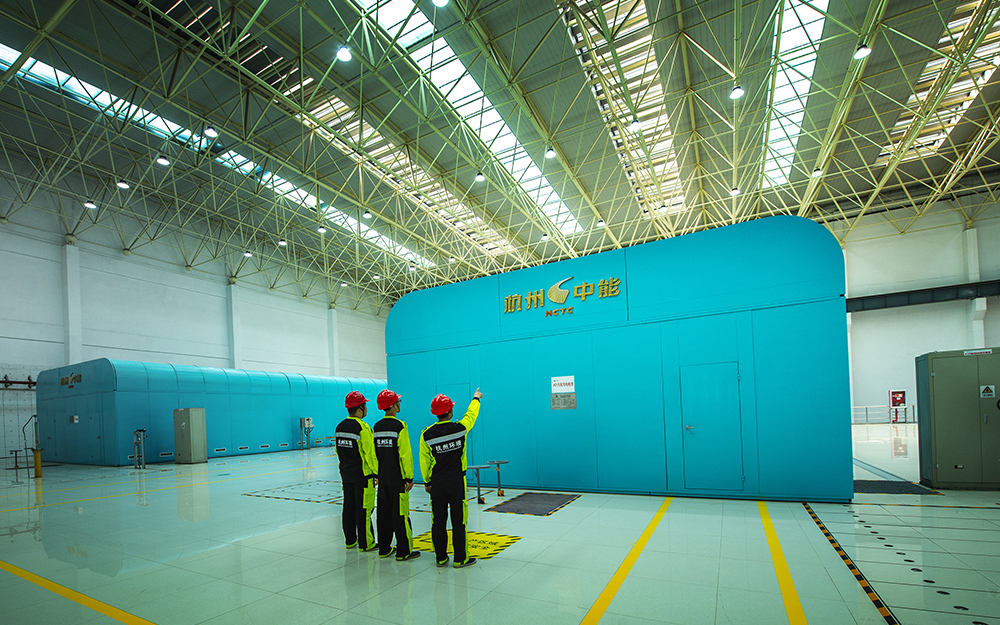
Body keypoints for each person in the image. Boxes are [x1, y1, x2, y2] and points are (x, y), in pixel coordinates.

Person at [419, 388, 483, 568]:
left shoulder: (426, 434)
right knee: (459, 521)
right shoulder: (460, 429)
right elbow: (471, 416)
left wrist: (427, 481)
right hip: (456, 482)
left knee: (438, 521)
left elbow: (424, 461)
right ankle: (460, 558)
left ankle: (440, 557)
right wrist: (476, 399)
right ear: (450, 411)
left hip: (437, 483)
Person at [373, 389, 421, 561]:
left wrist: (377, 474)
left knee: (383, 515)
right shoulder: (400, 426)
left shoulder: (376, 427)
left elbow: (374, 454)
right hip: (397, 480)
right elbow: (405, 454)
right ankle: (404, 551)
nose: (399, 404)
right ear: (393, 405)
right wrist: (409, 477)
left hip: (383, 479)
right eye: (398, 402)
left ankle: (384, 548)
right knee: (401, 515)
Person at [335, 391, 378, 552]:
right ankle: (367, 543)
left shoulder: (340, 427)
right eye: (365, 406)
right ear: (360, 408)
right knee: (364, 509)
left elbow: (338, 450)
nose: (366, 409)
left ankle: (350, 540)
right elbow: (369, 454)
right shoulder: (363, 428)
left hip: (346, 474)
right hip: (363, 476)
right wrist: (376, 473)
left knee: (349, 507)